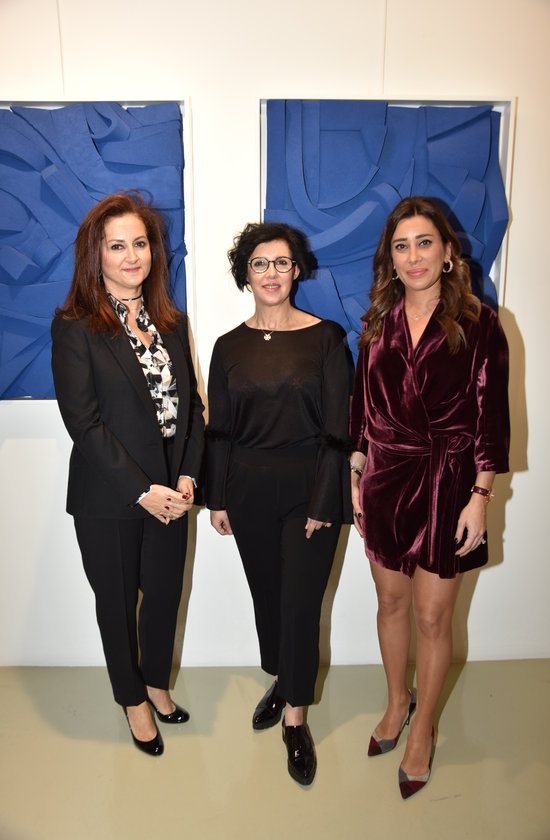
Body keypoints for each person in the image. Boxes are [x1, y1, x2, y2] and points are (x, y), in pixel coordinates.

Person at [350, 196, 509, 798]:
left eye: (424, 243)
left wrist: (480, 495)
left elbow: (492, 419)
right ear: (389, 260)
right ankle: (397, 703)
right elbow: (362, 409)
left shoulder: (480, 322)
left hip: (449, 482)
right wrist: (356, 472)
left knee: (432, 616)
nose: (413, 256)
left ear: (446, 253)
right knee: (390, 603)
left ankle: (424, 730)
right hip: (385, 478)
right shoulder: (376, 324)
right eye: (401, 246)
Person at [51, 192, 204, 756]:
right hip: (109, 494)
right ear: (96, 255)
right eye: (117, 246)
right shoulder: (74, 326)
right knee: (115, 604)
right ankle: (132, 699)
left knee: (163, 595)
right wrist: (142, 490)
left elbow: (193, 411)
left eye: (140, 243)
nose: (132, 256)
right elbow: (84, 423)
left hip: (172, 490)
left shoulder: (171, 322)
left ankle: (156, 684)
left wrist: (188, 477)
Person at [206, 222, 352, 785]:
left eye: (281, 262)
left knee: (300, 603)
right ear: (246, 273)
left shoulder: (326, 338)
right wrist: (217, 497)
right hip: (247, 492)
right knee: (267, 596)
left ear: (297, 270)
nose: (271, 273)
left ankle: (295, 717)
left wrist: (325, 499)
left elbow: (338, 429)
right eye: (260, 263)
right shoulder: (227, 347)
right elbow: (220, 430)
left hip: (310, 490)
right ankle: (282, 676)